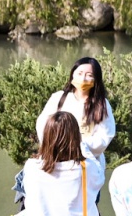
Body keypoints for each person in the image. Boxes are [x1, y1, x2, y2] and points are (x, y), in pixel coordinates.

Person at [37, 57, 115, 185]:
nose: (83, 79)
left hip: (85, 166)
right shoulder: (58, 98)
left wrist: (75, 145)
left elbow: (105, 136)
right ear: (72, 74)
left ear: (96, 80)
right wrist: (56, 144)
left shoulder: (101, 105)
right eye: (79, 73)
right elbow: (42, 125)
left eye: (89, 75)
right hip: (55, 163)